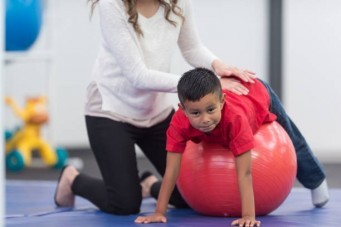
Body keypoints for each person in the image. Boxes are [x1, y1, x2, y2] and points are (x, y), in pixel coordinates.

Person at [53, 0, 257, 215]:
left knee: (190, 195)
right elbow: (137, 76)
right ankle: (72, 178)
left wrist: (218, 65)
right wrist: (209, 84)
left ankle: (148, 185)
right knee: (124, 204)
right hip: (111, 109)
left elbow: (191, 47)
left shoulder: (178, 2)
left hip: (155, 111)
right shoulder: (112, 4)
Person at [134, 68, 329, 226]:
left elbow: (245, 173)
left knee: (293, 138)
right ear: (182, 109)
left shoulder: (235, 120)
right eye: (195, 113)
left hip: (257, 92)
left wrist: (248, 217)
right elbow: (171, 170)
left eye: (211, 110)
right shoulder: (178, 123)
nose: (205, 119)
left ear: (222, 102)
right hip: (231, 97)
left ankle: (317, 181)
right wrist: (159, 212)